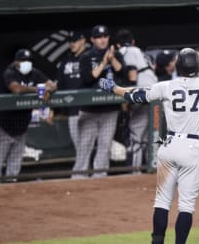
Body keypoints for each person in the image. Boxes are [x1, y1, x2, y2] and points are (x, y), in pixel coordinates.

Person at [98, 0, 199, 244]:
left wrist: (111, 87)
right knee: (187, 206)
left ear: (178, 66)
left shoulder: (166, 85)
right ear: (197, 66)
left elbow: (133, 95)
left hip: (168, 147)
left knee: (162, 201)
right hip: (192, 148)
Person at [0, 49, 56, 184]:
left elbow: (52, 85)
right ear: (16, 62)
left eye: (28, 61)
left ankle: (11, 196)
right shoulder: (9, 73)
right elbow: (16, 89)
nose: (27, 63)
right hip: (3, 127)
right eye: (23, 61)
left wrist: (47, 89)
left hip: (21, 128)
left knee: (14, 169)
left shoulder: (34, 73)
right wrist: (38, 90)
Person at [72, 24, 125, 178]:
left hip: (110, 109)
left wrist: (112, 58)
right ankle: (78, 177)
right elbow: (88, 78)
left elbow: (123, 73)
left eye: (105, 36)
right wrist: (103, 62)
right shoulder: (86, 56)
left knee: (105, 145)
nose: (102, 40)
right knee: (84, 146)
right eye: (99, 37)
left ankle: (100, 176)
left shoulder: (117, 54)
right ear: (93, 39)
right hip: (90, 109)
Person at [115, 28, 158, 173]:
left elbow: (131, 76)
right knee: (149, 136)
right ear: (133, 41)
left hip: (142, 92)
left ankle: (135, 172)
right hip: (156, 92)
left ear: (118, 45)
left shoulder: (123, 51)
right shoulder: (139, 51)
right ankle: (151, 169)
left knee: (136, 135)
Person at [56, 31, 87, 157]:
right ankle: (84, 174)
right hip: (73, 110)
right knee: (79, 146)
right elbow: (60, 85)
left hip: (89, 110)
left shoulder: (90, 57)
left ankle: (96, 173)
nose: (72, 44)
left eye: (75, 41)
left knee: (90, 144)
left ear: (83, 40)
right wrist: (57, 109)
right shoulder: (66, 61)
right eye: (70, 41)